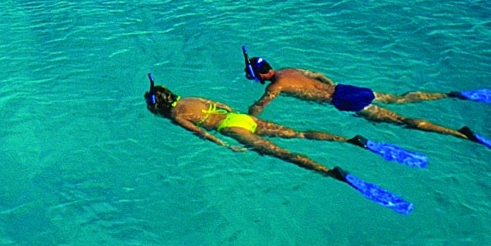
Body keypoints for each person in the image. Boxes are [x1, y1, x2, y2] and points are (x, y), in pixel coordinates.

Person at [144, 76, 377, 181]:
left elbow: (201, 133)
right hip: (241, 117)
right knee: (299, 133)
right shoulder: (190, 98)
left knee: (281, 153)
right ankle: (348, 140)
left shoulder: (176, 114)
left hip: (230, 127)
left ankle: (327, 171)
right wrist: (241, 117)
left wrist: (227, 145)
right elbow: (221, 105)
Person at [243, 52, 479, 143]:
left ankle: (459, 133)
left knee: (402, 121)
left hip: (344, 101)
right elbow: (319, 75)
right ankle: (448, 95)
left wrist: (248, 119)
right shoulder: (289, 69)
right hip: (346, 89)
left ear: (262, 75)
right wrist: (331, 87)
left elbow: (260, 107)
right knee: (399, 99)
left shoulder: (276, 86)